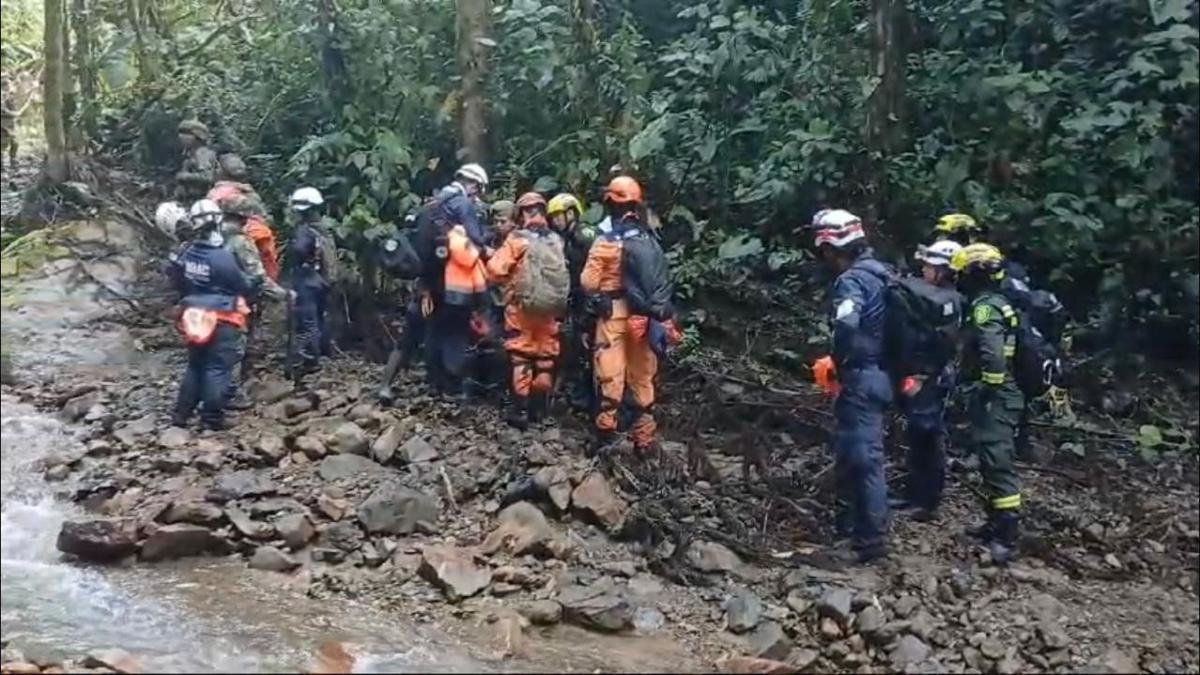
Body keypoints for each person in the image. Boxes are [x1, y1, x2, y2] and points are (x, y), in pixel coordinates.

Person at [934, 212, 1067, 459]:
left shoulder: (988, 270)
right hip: (996, 341)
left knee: (996, 395)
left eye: (951, 235)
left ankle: (994, 450)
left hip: (1006, 343)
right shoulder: (969, 265)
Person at [811, 208, 892, 563]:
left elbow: (846, 325)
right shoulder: (883, 272)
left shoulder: (852, 282)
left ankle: (870, 542)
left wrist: (837, 361)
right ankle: (849, 526)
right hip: (882, 374)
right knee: (853, 453)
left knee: (865, 458)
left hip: (861, 375)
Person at [581, 176, 679, 457]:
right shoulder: (649, 237)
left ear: (611, 202)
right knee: (642, 377)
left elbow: (589, 281)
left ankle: (604, 437)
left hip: (613, 315)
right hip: (645, 317)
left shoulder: (605, 242)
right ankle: (644, 440)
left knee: (610, 374)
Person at [950, 243, 1024, 564]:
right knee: (988, 458)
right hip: (1003, 392)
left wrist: (986, 389)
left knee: (997, 459)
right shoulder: (997, 301)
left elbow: (993, 355)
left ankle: (1007, 536)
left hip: (999, 395)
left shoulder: (984, 308)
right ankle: (994, 523)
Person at [890, 240, 963, 521]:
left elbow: (938, 344)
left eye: (930, 266)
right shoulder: (939, 297)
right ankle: (914, 495)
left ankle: (926, 500)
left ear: (945, 271)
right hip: (924, 375)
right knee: (917, 436)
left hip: (931, 378)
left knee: (928, 436)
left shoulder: (948, 300)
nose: (924, 270)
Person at [168, 199, 254, 431]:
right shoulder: (222, 258)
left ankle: (181, 414)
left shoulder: (187, 255)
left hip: (193, 316)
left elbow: (177, 281)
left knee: (195, 365)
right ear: (217, 221)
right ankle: (211, 419)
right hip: (221, 317)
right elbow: (242, 285)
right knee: (217, 368)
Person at [487, 192, 566, 429]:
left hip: (521, 309)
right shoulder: (556, 240)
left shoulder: (517, 239)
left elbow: (495, 270)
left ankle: (520, 411)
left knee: (521, 357)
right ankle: (539, 411)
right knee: (545, 358)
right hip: (550, 310)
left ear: (521, 214)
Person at [417, 164, 492, 397]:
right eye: (477, 188)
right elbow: (476, 237)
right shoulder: (462, 203)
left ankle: (434, 382)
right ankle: (452, 386)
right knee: (456, 332)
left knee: (435, 330)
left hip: (432, 278)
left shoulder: (433, 202)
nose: (476, 194)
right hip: (455, 280)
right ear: (471, 183)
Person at [217, 193, 289, 405]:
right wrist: (282, 294)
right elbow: (257, 276)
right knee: (236, 348)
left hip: (211, 301)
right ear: (244, 217)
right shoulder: (241, 241)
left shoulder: (213, 236)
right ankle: (231, 394)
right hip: (238, 302)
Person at [548, 193, 599, 411]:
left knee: (588, 348)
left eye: (557, 216)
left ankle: (587, 399)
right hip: (577, 299)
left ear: (571, 213)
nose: (554, 221)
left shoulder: (584, 236)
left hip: (591, 300)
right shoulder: (567, 238)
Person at [289, 186, 338, 378]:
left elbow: (299, 251)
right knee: (320, 316)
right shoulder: (324, 227)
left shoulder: (304, 230)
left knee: (307, 320)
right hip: (322, 279)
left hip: (307, 278)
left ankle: (309, 359)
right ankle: (323, 351)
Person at [174, 120, 219, 201]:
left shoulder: (202, 153)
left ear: (198, 136)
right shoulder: (189, 154)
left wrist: (185, 176)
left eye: (187, 133)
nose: (181, 136)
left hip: (202, 200)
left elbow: (208, 177)